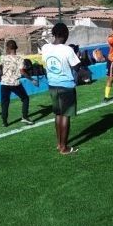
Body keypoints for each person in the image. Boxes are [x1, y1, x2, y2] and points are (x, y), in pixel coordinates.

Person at [41, 23, 82, 155]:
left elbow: (46, 64)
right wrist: (78, 56)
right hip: (66, 86)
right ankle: (64, 148)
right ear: (65, 34)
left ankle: (59, 144)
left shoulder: (45, 48)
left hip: (52, 85)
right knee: (65, 116)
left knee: (58, 114)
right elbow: (76, 67)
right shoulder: (67, 50)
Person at [0, 40, 36, 127]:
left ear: (7, 48)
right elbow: (22, 71)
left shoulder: (3, 58)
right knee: (25, 98)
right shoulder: (20, 58)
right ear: (16, 48)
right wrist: (32, 79)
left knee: (5, 102)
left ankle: (4, 122)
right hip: (15, 83)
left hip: (4, 83)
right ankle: (25, 117)